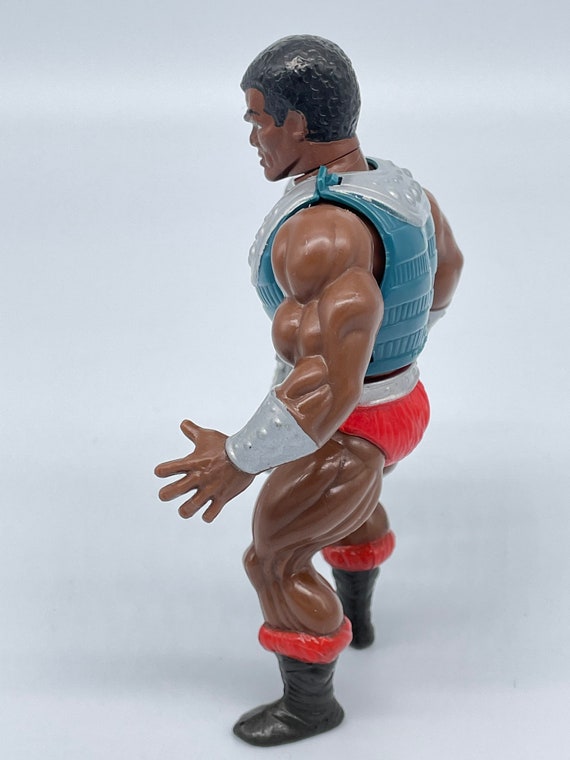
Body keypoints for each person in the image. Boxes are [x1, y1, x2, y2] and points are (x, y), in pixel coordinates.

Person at [155, 35, 463, 747]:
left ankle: (310, 706)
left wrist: (239, 457)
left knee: (274, 557)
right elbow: (445, 271)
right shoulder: (401, 188)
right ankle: (362, 616)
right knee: (353, 503)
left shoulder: (321, 234)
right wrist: (395, 353)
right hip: (404, 404)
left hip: (348, 425)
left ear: (296, 123)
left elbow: (325, 386)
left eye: (257, 119)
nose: (253, 137)